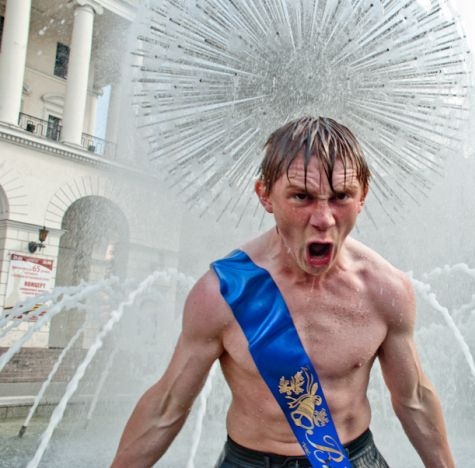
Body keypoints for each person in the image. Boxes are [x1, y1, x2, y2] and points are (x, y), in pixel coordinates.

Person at [111, 116, 455, 468]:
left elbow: (414, 400)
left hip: (353, 459)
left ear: (362, 196)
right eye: (302, 197)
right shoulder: (222, 293)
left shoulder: (385, 289)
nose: (324, 218)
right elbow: (166, 408)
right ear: (265, 195)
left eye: (341, 196)